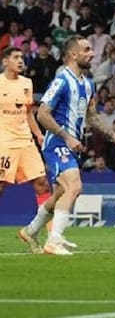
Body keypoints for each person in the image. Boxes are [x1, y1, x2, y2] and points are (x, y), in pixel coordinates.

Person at [18, 37, 115, 255]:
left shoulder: (88, 84)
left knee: (60, 194)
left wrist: (112, 134)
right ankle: (54, 239)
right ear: (73, 55)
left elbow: (91, 116)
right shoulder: (61, 81)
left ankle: (30, 231)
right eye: (87, 50)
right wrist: (66, 137)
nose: (92, 54)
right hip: (57, 142)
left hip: (72, 145)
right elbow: (42, 114)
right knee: (74, 187)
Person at [0, 47, 50, 249]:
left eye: (22, 57)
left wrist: (38, 134)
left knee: (42, 184)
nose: (21, 60)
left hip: (25, 141)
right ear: (5, 61)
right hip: (4, 142)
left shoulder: (27, 83)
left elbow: (28, 113)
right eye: (16, 57)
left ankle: (49, 237)